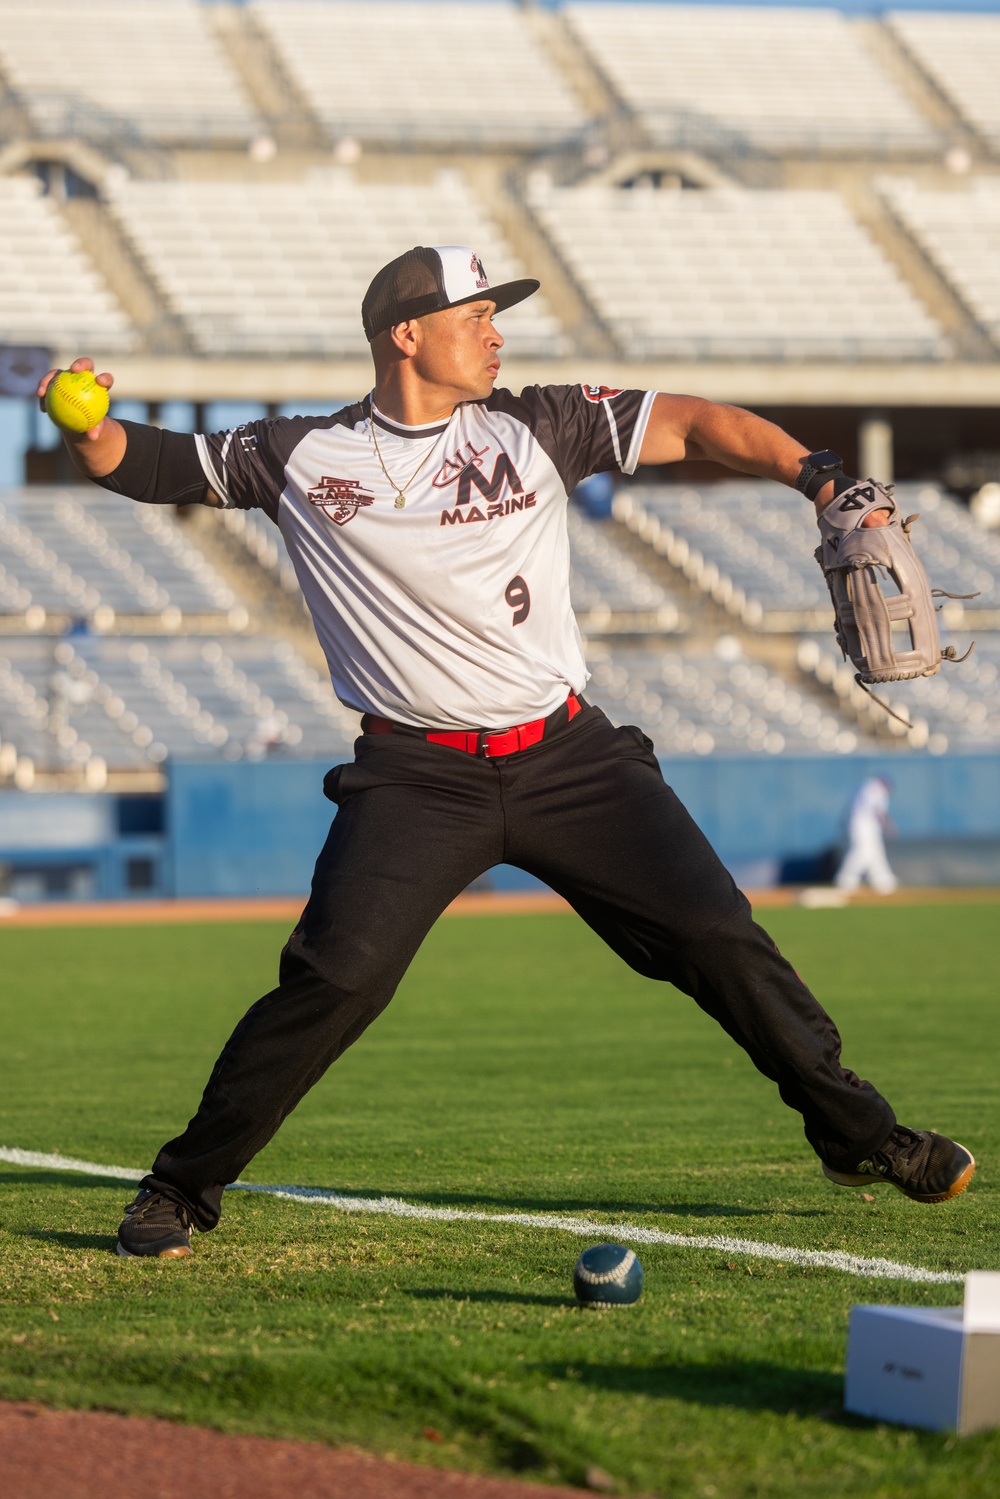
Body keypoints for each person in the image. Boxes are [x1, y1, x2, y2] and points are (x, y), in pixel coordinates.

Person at [38, 245, 974, 1258]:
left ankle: (863, 1136)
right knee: (337, 977)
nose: (496, 333)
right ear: (407, 333)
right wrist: (80, 424)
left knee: (715, 930)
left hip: (569, 756)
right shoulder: (300, 454)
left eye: (496, 316)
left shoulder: (540, 422)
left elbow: (698, 422)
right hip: (416, 774)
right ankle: (181, 1185)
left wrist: (816, 470)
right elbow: (148, 464)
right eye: (474, 315)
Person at [836, 776, 898, 895]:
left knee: (876, 852)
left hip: (870, 826)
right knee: (862, 852)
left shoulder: (868, 787)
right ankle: (846, 879)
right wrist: (889, 825)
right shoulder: (874, 788)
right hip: (862, 825)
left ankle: (883, 880)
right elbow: (876, 810)